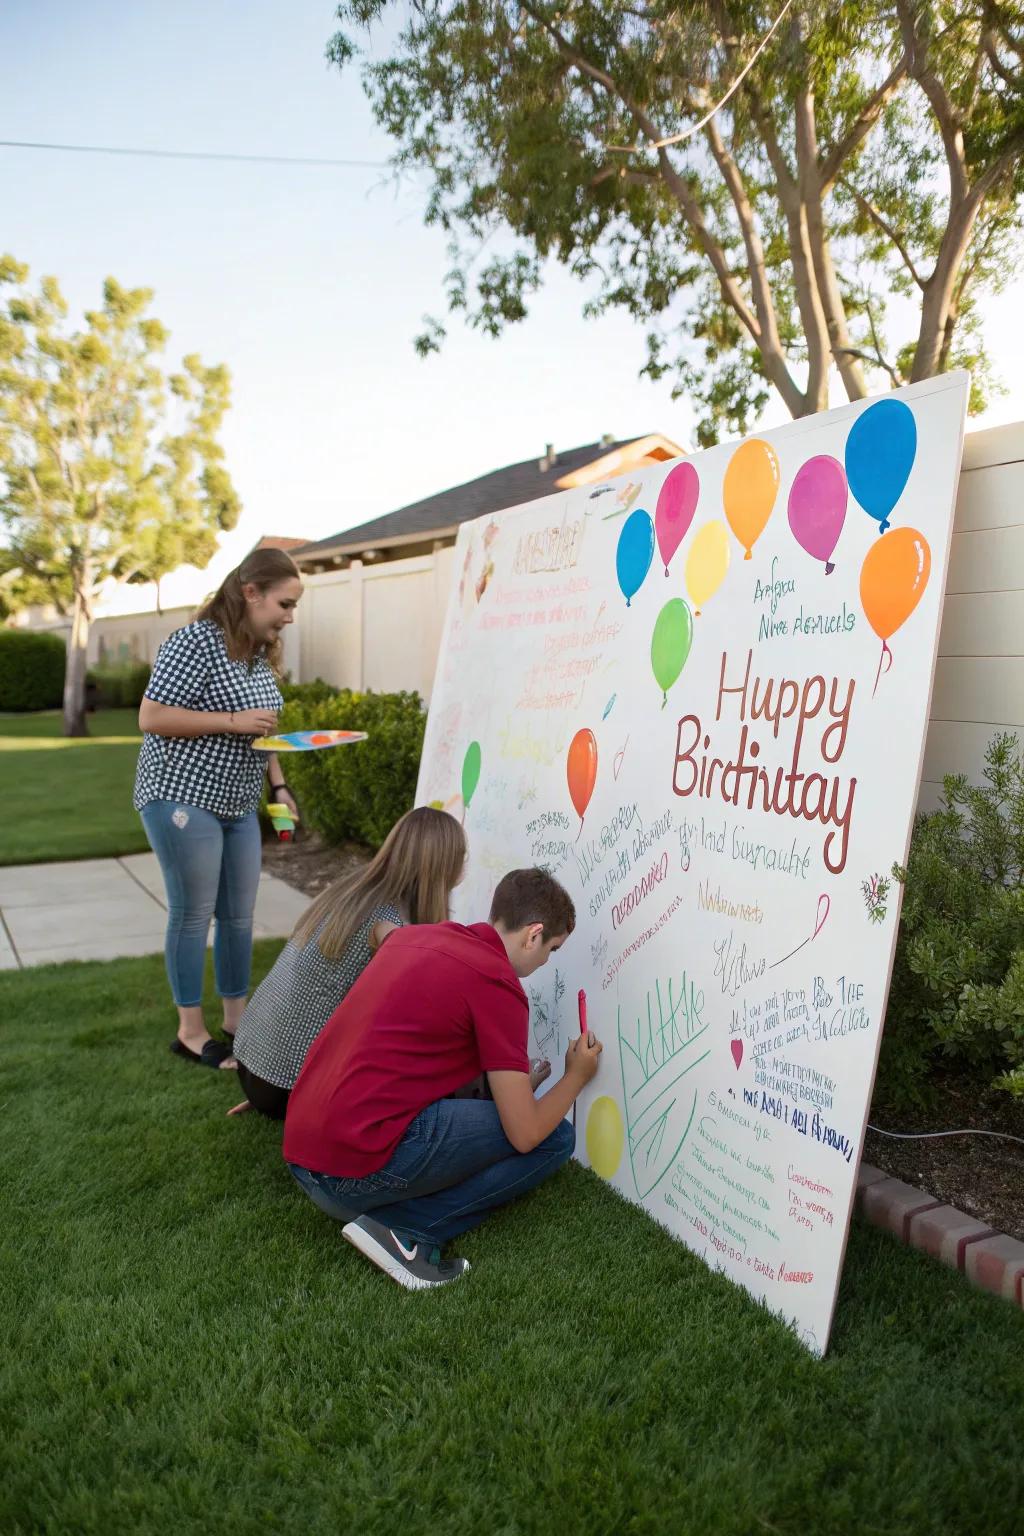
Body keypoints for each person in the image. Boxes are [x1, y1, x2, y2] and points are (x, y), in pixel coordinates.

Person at [283, 867, 602, 1289]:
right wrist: (576, 1077)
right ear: (533, 934)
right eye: (553, 949)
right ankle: (408, 1232)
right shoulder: (497, 983)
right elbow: (525, 1134)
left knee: (498, 1112)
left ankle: (394, 1218)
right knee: (554, 1138)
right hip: (346, 1178)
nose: (546, 961)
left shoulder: (416, 937)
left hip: (303, 1154)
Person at [133, 547, 302, 1069]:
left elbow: (264, 732)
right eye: (284, 603)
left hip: (238, 802)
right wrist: (230, 721)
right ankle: (190, 1031)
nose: (290, 616)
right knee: (192, 915)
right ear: (251, 593)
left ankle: (237, 1020)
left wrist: (279, 790)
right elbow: (151, 716)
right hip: (181, 795)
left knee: (238, 917)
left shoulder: (256, 654)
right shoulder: (195, 642)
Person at [230, 807, 468, 1119]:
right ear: (442, 865)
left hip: (250, 1064)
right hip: (285, 1088)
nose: (465, 864)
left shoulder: (354, 891)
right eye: (461, 857)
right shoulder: (390, 926)